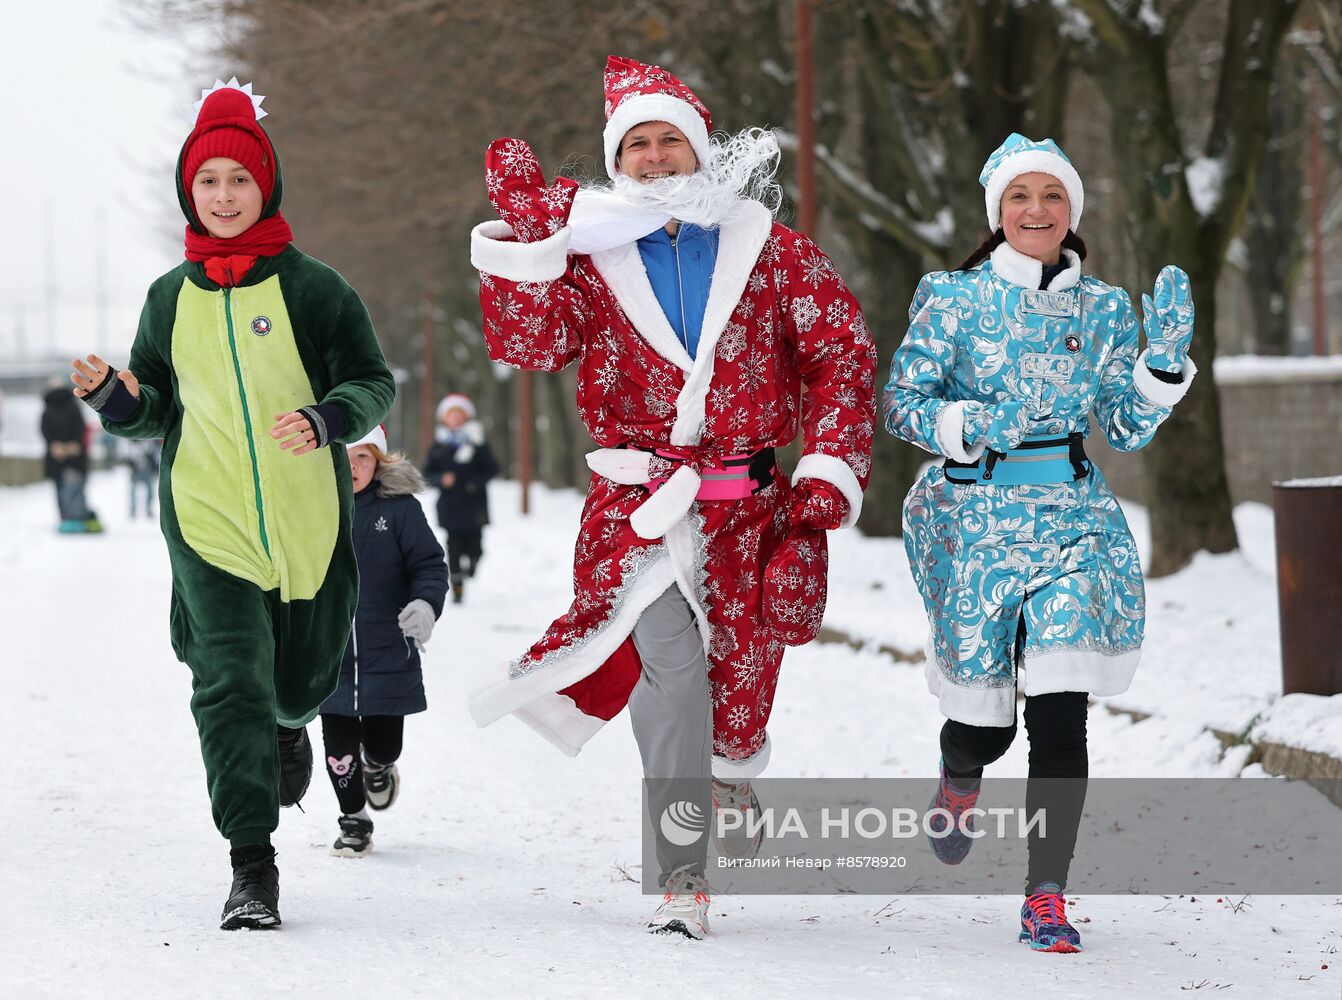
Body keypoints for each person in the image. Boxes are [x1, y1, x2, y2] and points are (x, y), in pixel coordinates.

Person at [468, 55, 876, 939]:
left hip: (751, 509)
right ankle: (681, 874)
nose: (655, 158)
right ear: (619, 160)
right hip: (636, 506)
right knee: (672, 670)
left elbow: (839, 354)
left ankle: (731, 771)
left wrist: (827, 469)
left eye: (670, 141)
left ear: (699, 148)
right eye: (638, 145)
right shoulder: (591, 252)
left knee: (739, 686)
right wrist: (525, 240)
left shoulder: (771, 249)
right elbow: (533, 345)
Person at [71, 78, 394, 930]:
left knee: (295, 688)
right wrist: (113, 397)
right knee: (228, 686)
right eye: (208, 181)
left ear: (266, 186)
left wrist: (329, 418)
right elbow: (153, 409)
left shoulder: (315, 288)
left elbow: (373, 381)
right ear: (191, 192)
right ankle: (252, 866)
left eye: (238, 181)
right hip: (207, 519)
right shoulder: (168, 297)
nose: (223, 196)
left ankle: (289, 725)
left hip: (307, 521)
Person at [883, 133, 1197, 953]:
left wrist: (1160, 367)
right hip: (976, 521)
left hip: (1073, 520)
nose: (1036, 210)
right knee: (988, 725)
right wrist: (965, 426)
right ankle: (960, 772)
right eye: (1020, 197)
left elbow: (1124, 428)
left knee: (1063, 712)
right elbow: (902, 401)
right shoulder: (952, 298)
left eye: (1052, 197)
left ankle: (1046, 894)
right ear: (998, 213)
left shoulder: (1106, 309)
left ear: (1071, 212)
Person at [319, 424, 448, 857]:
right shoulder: (310, 506)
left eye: (364, 457)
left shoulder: (399, 510)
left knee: (384, 743)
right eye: (345, 455)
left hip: (388, 649)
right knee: (338, 746)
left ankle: (378, 767)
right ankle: (353, 819)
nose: (353, 466)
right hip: (327, 654)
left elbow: (429, 565)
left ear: (379, 462)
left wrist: (425, 605)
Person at [422, 392, 498, 603]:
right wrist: (441, 479)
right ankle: (457, 586)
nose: (455, 419)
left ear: (467, 416)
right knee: (453, 547)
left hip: (475, 505)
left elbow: (492, 469)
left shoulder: (478, 443)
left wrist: (476, 482)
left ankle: (472, 565)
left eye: (459, 414)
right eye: (451, 414)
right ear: (444, 418)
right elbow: (426, 473)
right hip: (450, 505)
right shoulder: (438, 445)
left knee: (475, 545)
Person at [41, 381, 102, 533]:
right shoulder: (74, 408)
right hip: (75, 458)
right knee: (75, 489)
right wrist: (71, 447)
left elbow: (45, 432)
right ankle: (77, 518)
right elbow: (81, 431)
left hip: (57, 458)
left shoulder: (47, 411)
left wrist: (56, 446)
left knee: (62, 490)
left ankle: (68, 518)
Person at [120, 437, 162, 518]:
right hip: (135, 470)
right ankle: (133, 510)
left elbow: (153, 454)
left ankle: (148, 509)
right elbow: (125, 456)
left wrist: (155, 467)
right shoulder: (130, 443)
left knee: (150, 491)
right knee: (133, 491)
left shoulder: (149, 441)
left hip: (147, 469)